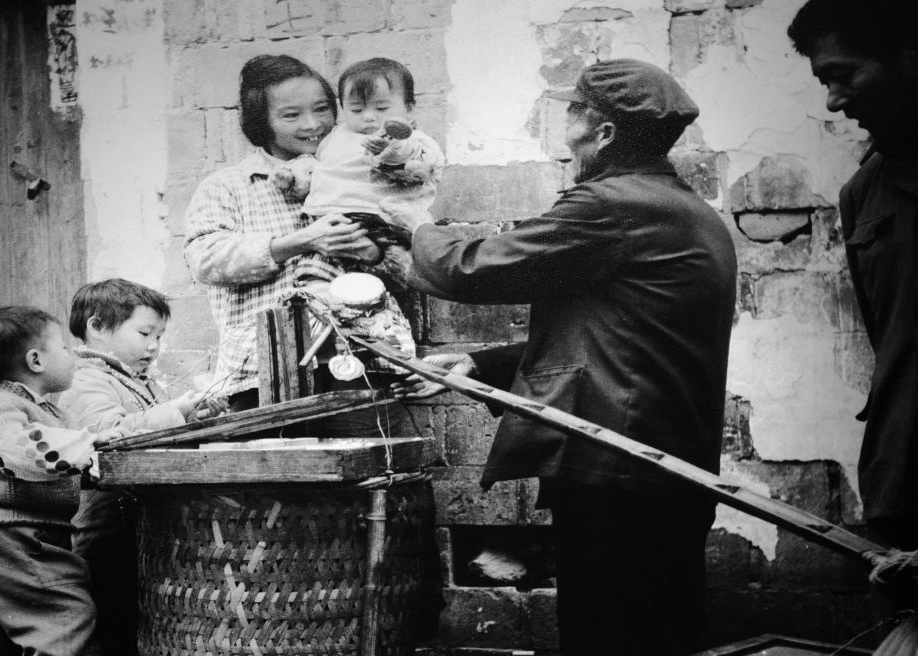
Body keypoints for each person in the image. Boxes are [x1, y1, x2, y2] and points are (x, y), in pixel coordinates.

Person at [390, 59, 737, 655]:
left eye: (573, 114)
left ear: (603, 132)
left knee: (612, 638)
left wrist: (414, 223)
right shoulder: (675, 207)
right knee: (656, 631)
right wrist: (481, 365)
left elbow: (473, 267)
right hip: (654, 471)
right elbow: (622, 336)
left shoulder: (615, 205)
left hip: (620, 471)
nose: (564, 135)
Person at [184, 54, 408, 436]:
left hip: (362, 361)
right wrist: (302, 240)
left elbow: (408, 262)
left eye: (322, 109)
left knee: (371, 466)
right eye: (291, 115)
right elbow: (204, 260)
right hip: (263, 371)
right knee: (279, 473)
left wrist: (373, 254)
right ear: (261, 122)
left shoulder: (368, 173)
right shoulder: (228, 186)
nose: (312, 124)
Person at [788, 0, 918, 554]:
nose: (835, 101)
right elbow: (888, 344)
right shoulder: (863, 192)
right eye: (826, 82)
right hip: (903, 483)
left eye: (844, 74)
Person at [58, 278, 223, 655]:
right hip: (104, 521)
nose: (154, 346)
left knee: (131, 616)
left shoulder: (135, 381)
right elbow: (109, 435)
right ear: (97, 327)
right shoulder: (85, 380)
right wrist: (174, 410)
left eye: (159, 337)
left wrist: (192, 416)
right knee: (108, 617)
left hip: (133, 518)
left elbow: (152, 427)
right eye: (145, 333)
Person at [0, 305, 119, 656]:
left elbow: (53, 466)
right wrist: (86, 444)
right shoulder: (0, 406)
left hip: (5, 536)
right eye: (65, 348)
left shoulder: (46, 411)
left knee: (0, 636)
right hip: (8, 536)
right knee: (65, 618)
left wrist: (89, 460)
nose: (73, 355)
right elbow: (18, 451)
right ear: (36, 361)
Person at [273, 57, 444, 373]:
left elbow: (416, 167)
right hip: (329, 225)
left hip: (379, 223)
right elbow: (319, 171)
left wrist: (388, 150)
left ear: (409, 108)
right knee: (313, 278)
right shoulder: (335, 138)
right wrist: (293, 177)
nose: (368, 117)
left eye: (382, 108)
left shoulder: (412, 140)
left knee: (373, 294)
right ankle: (328, 324)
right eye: (356, 109)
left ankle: (390, 348)